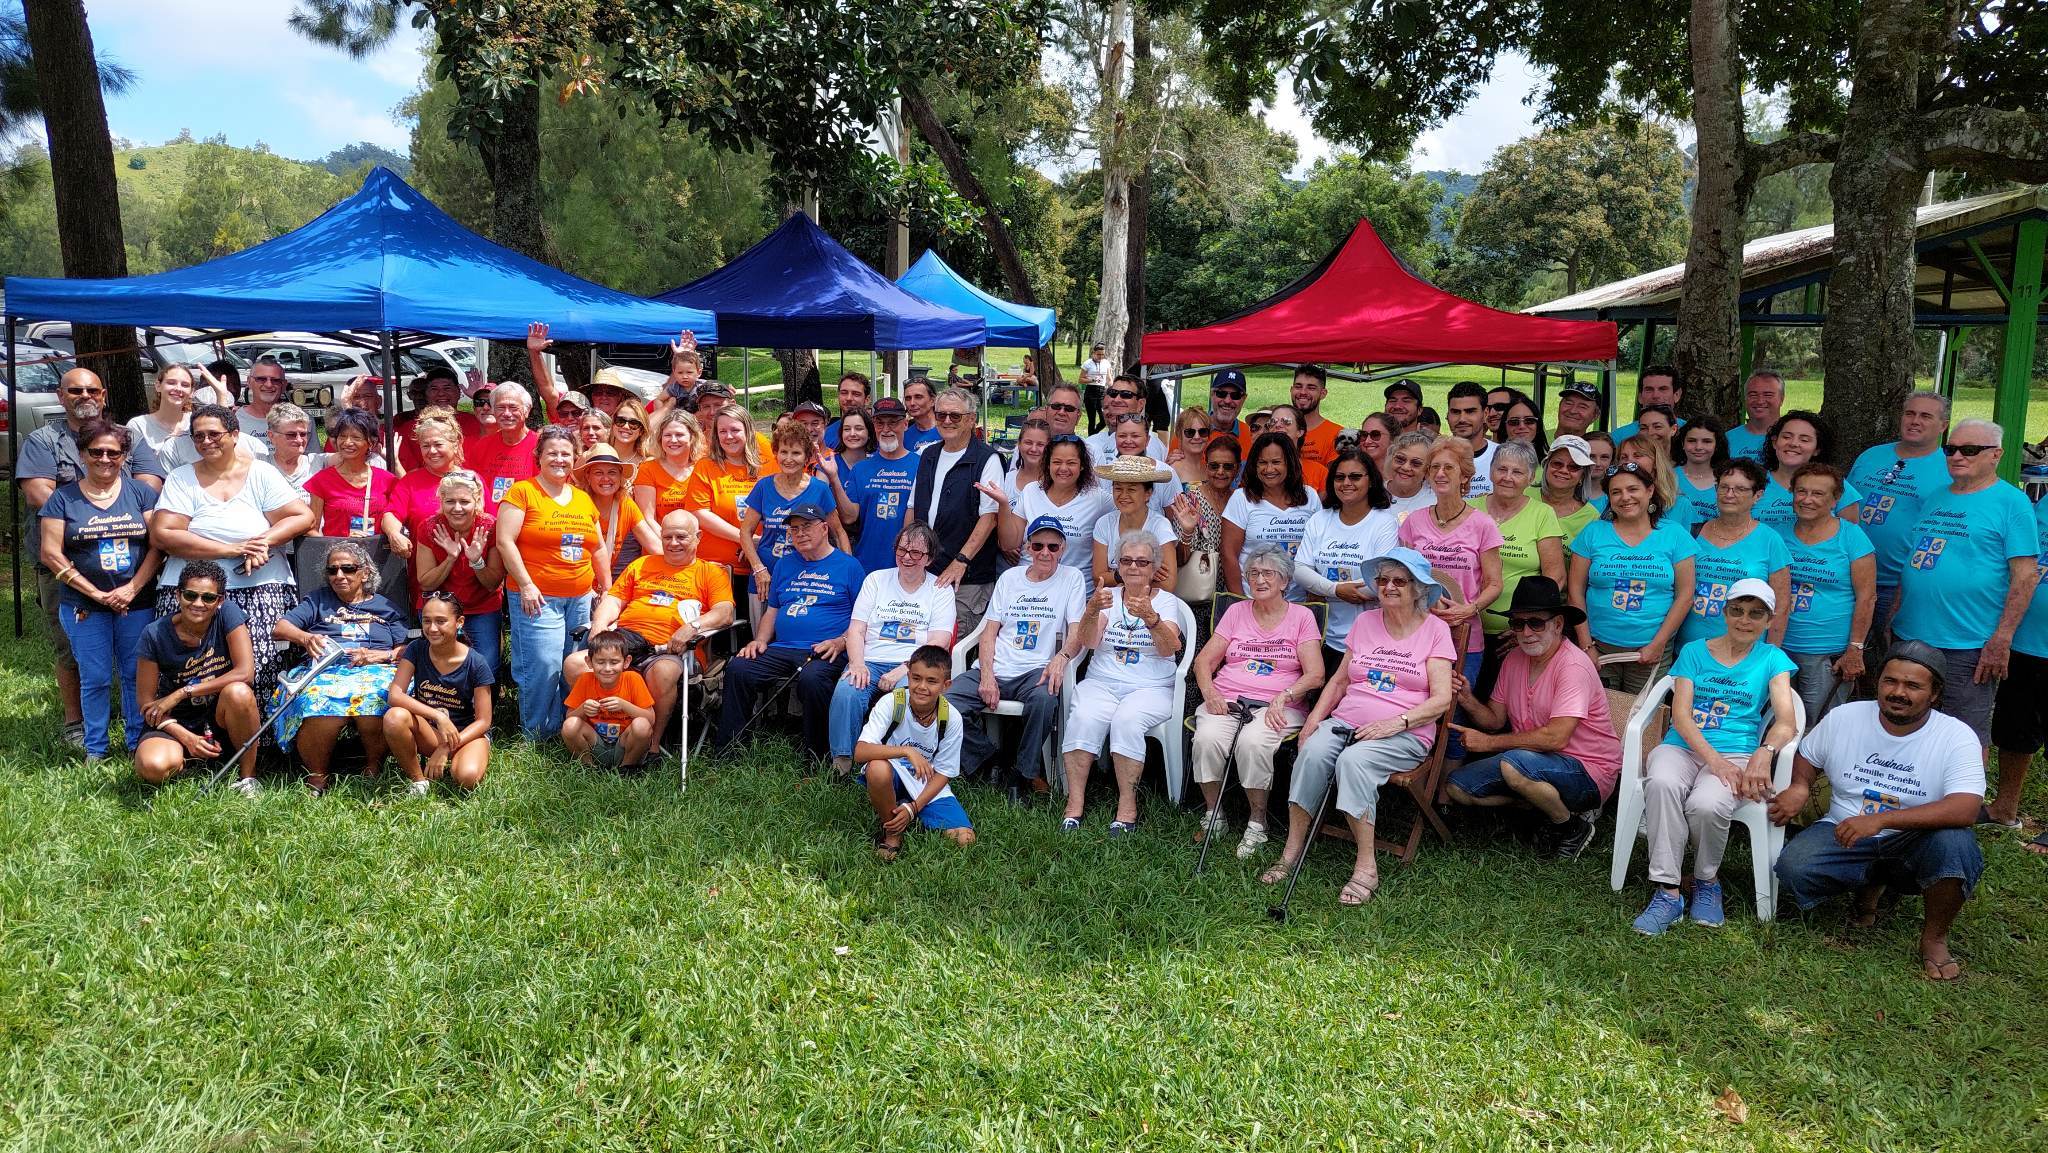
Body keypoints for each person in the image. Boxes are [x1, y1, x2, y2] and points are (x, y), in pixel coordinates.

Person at [1770, 642, 1985, 980]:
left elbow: (1966, 808)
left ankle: (1934, 938)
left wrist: (1881, 820)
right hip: (1843, 830)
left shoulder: (1956, 737)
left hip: (1915, 839)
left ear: (1935, 693)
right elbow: (1809, 755)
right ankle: (1868, 889)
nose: (1898, 692)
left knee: (1956, 845)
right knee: (1795, 867)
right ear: (1878, 682)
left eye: (1913, 686)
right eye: (1890, 681)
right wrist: (1799, 786)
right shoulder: (1847, 717)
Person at [1271, 548, 1456, 905]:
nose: (1388, 587)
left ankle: (1366, 866)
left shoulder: (1435, 631)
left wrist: (1394, 723)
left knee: (1353, 762)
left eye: (1398, 581)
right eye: (1382, 580)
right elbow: (1340, 682)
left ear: (1418, 588)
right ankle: (1291, 850)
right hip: (1347, 721)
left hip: (1404, 731)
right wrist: (1313, 720)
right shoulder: (1365, 622)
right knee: (1311, 753)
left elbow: (1441, 700)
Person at [1631, 578, 1798, 934]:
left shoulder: (1772, 659)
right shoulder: (1693, 651)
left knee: (1707, 804)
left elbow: (1786, 722)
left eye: (1756, 614)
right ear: (1724, 613)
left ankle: (1707, 881)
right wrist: (1714, 760)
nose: (1744, 620)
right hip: (1682, 745)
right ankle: (1668, 891)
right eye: (1737, 610)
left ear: (1769, 621)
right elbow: (1680, 715)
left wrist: (1764, 752)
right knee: (1661, 781)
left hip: (1737, 750)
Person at [19, 367, 168, 747]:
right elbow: (41, 494)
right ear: (60, 395)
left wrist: (119, 500)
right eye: (75, 390)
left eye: (91, 390)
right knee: (73, 652)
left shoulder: (126, 438)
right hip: (68, 569)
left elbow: (150, 483)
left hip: (133, 583)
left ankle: (136, 734)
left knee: (134, 665)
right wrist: (87, 510)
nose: (84, 396)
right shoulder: (44, 439)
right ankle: (77, 725)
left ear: (103, 395)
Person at [1889, 418, 2037, 759]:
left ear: (1995, 455)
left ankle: (1960, 808)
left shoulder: (2011, 503)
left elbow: (2025, 576)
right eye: (1950, 449)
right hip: (1911, 632)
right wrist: (1895, 611)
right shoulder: (1937, 496)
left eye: (1969, 450)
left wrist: (2002, 638)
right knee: (1906, 724)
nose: (1957, 456)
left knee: (1965, 734)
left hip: (1967, 641)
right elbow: (1916, 559)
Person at [150, 404, 313, 706]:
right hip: (194, 591)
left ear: (235, 434)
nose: (206, 441)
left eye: (214, 434)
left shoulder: (260, 473)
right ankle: (193, 734)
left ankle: (264, 743)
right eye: (198, 437)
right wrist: (233, 549)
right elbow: (164, 534)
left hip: (261, 586)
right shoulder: (182, 478)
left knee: (264, 666)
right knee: (194, 665)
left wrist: (263, 541)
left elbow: (301, 516)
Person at [1447, 577, 1620, 859]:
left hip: (1588, 770)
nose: (1526, 632)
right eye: (1518, 623)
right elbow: (1493, 719)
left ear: (1558, 624)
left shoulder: (1573, 666)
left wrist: (1488, 744)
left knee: (1514, 764)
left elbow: (1556, 737)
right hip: (1529, 762)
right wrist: (1468, 699)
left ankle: (1570, 826)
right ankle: (1541, 805)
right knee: (1457, 787)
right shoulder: (1514, 658)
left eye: (1536, 623)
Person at [37, 421, 162, 761]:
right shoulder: (62, 498)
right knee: (95, 677)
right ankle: (96, 748)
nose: (105, 458)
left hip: (136, 603)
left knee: (136, 674)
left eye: (114, 452)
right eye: (97, 452)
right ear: (82, 454)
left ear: (124, 456)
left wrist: (132, 589)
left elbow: (158, 544)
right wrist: (95, 593)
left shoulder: (141, 493)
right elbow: (50, 552)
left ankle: (138, 742)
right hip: (84, 605)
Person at [1192, 543, 1325, 857]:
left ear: (1284, 582)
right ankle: (1215, 814)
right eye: (1253, 573)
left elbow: (1316, 674)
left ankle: (1257, 822)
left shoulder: (1302, 616)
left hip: (1280, 706)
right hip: (1227, 700)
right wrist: (1210, 694)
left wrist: (1285, 695)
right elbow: (1203, 662)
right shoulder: (1237, 612)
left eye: (1269, 573)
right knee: (1207, 738)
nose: (1260, 580)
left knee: (1253, 742)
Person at [1057, 531, 1187, 833]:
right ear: (1118, 565)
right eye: (1126, 560)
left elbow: (1170, 648)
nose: (1133, 567)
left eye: (1142, 562)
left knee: (1127, 720)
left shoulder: (1167, 602)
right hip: (1103, 681)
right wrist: (1091, 611)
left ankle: (1127, 806)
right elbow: (1089, 642)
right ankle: (1074, 805)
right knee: (1084, 717)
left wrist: (1151, 618)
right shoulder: (1108, 597)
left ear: (1155, 568)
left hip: (1151, 686)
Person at [572, 509, 736, 748]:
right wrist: (598, 625)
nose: (673, 543)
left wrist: (692, 627)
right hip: (625, 641)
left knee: (664, 673)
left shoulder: (710, 572)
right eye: (667, 537)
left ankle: (650, 743)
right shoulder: (642, 564)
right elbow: (613, 600)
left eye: (681, 537)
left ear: (698, 537)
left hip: (672, 651)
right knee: (575, 663)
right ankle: (599, 737)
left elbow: (725, 612)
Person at [946, 516, 1084, 795]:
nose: (1045, 552)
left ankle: (1022, 774)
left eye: (1053, 547)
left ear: (1063, 548)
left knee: (1044, 700)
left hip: (1036, 670)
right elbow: (988, 632)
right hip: (997, 665)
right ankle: (990, 760)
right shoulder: (1010, 578)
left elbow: (1078, 631)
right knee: (945, 704)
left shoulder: (1072, 578)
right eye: (1038, 545)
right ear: (1027, 548)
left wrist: (1062, 657)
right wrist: (986, 673)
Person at [713, 503, 862, 759]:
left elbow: (864, 619)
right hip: (783, 648)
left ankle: (817, 755)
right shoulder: (784, 565)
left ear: (825, 528)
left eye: (807, 526)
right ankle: (730, 749)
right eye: (794, 529)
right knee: (739, 668)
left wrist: (841, 641)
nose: (800, 533)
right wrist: (759, 640)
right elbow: (773, 610)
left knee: (813, 679)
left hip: (826, 649)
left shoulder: (849, 566)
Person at [270, 540, 411, 794]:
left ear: (365, 573)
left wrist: (380, 655)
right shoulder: (317, 601)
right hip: (325, 670)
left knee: (378, 697)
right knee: (319, 703)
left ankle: (373, 767)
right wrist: (306, 638)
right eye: (332, 570)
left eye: (348, 569)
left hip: (374, 670)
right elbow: (280, 628)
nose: (339, 575)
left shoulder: (385, 607)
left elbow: (406, 649)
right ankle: (317, 776)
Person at [497, 427, 609, 739]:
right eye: (552, 453)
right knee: (543, 667)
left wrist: (606, 587)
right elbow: (505, 541)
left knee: (572, 665)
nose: (559, 459)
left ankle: (565, 729)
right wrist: (527, 584)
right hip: (537, 597)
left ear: (575, 458)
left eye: (566, 454)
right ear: (539, 458)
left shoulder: (583, 499)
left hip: (580, 598)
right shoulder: (522, 492)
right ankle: (535, 735)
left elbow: (597, 547)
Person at [829, 522, 958, 776]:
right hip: (871, 659)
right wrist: (857, 664)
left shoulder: (939, 590)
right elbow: (856, 630)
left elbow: (938, 642)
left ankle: (899, 765)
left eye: (916, 553)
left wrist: (903, 670)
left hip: (913, 666)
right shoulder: (876, 580)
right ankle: (842, 764)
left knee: (910, 695)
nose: (907, 557)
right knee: (847, 690)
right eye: (902, 550)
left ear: (929, 558)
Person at [1567, 462, 1698, 694]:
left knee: (1643, 722)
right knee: (1602, 720)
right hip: (1600, 647)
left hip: (1651, 650)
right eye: (1616, 492)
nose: (1625, 497)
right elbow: (1575, 592)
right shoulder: (1593, 532)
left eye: (1632, 489)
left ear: (1650, 491)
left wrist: (1658, 644)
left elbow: (1685, 595)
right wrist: (1586, 646)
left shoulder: (1674, 534)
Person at [132, 562, 263, 789]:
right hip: (176, 719)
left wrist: (183, 692)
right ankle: (187, 759)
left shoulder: (228, 614)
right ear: (177, 595)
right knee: (152, 767)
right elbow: (145, 702)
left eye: (208, 598)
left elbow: (245, 673)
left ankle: (248, 778)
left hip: (221, 713)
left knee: (239, 692)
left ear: (220, 601)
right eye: (190, 595)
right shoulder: (154, 633)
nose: (198, 604)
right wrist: (186, 737)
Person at [1397, 437, 1502, 679]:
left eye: (1449, 468)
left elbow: (1495, 583)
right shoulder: (1414, 521)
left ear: (1464, 477)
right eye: (1434, 467)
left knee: (1455, 708)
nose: (1440, 474)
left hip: (1463, 634)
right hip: (1418, 631)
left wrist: (1468, 610)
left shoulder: (1482, 524)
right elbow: (1405, 576)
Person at [1780, 462, 1876, 725]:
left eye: (1818, 494)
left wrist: (1855, 649)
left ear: (1835, 499)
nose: (1807, 499)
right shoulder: (1777, 534)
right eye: (1801, 491)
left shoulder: (1852, 537)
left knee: (1819, 727)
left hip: (1826, 652)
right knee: (1776, 724)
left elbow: (1867, 597)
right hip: (1778, 647)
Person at [1846, 392, 1952, 625]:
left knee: (1890, 654)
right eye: (1910, 413)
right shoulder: (1871, 456)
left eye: (1925, 416)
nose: (1915, 421)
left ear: (1943, 425)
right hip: (1849, 576)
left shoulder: (1948, 470)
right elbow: (1843, 506)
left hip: (1898, 586)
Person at [860, 644, 976, 858]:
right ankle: (893, 834)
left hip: (925, 781)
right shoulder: (892, 702)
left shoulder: (951, 717)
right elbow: (861, 751)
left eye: (932, 681)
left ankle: (906, 808)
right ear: (909, 676)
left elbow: (944, 772)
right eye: (916, 678)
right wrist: (906, 751)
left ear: (945, 685)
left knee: (964, 839)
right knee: (876, 769)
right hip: (891, 772)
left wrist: (914, 808)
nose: (922, 686)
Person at [912, 387, 1004, 637]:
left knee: (954, 643)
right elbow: (913, 509)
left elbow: (990, 518)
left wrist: (961, 561)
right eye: (941, 415)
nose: (947, 421)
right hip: (926, 570)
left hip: (967, 577)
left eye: (955, 416)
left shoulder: (987, 459)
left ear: (972, 419)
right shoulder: (927, 454)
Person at [1293, 449, 1399, 663]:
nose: (1346, 483)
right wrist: (1336, 590)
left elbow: (1380, 582)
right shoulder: (1319, 520)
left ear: (1371, 481)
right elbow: (1300, 570)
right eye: (1339, 477)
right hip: (1321, 636)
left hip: (1370, 640)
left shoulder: (1385, 523)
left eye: (1355, 476)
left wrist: (1321, 587)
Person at [383, 592, 495, 794]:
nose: (432, 628)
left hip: (466, 735)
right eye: (427, 621)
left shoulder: (476, 663)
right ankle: (418, 781)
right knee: (394, 717)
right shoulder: (416, 649)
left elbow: (484, 721)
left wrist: (446, 747)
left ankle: (462, 757)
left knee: (467, 778)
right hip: (432, 732)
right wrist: (437, 716)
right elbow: (395, 695)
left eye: (441, 621)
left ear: (459, 622)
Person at [1682, 460, 1792, 644]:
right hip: (1688, 648)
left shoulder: (1770, 540)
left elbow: (1781, 606)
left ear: (1757, 495)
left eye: (1740, 489)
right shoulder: (1694, 532)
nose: (1729, 494)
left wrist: (1769, 655)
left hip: (1745, 651)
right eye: (1724, 487)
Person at [411, 469, 505, 680]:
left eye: (464, 501)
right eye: (450, 501)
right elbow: (425, 583)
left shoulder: (490, 526)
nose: (457, 508)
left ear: (476, 501)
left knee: (487, 666)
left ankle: (481, 710)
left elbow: (492, 583)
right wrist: (450, 558)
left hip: (482, 606)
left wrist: (476, 561)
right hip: (441, 606)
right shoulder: (429, 528)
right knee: (438, 665)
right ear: (442, 501)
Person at [1472, 441, 1564, 650]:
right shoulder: (1469, 509)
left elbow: (1555, 578)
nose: (1507, 477)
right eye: (1502, 469)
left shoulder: (1542, 514)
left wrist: (1525, 626)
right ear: (1491, 471)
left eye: (1517, 472)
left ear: (1531, 479)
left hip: (1519, 635)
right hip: (1466, 627)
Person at [744, 423, 847, 587]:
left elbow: (839, 533)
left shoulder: (819, 489)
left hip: (808, 577)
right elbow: (745, 531)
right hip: (766, 577)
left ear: (807, 457)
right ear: (776, 454)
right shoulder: (763, 487)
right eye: (784, 452)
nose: (789, 459)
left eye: (796, 453)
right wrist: (758, 568)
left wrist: (845, 569)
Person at [1002, 433, 1111, 589]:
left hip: (1076, 592)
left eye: (1071, 463)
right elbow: (1009, 544)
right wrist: (1003, 505)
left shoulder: (1098, 498)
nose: (1063, 468)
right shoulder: (1030, 491)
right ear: (1047, 464)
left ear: (1082, 465)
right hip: (1027, 590)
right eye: (1057, 462)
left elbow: (1126, 516)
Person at [1222, 432, 1321, 597]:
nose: (1269, 469)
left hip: (1298, 604)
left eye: (1276, 462)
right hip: (1252, 601)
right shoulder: (1241, 498)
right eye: (1262, 463)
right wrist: (1240, 603)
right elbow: (1229, 555)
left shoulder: (1310, 497)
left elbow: (1317, 553)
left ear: (1290, 463)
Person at [682, 402, 764, 582]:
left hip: (760, 564)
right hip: (716, 567)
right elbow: (700, 513)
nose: (729, 437)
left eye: (735, 430)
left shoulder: (766, 467)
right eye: (722, 431)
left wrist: (759, 544)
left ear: (748, 431)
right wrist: (747, 540)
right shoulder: (706, 467)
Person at [304, 409, 402, 557]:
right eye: (342, 436)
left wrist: (395, 461)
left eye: (356, 437)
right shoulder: (321, 481)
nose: (347, 442)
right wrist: (333, 552)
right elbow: (312, 529)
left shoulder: (386, 479)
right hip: (340, 564)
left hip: (378, 558)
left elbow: (408, 499)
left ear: (371, 442)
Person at [562, 630, 657, 772]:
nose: (607, 669)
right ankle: (588, 768)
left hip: (625, 744)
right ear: (589, 662)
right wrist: (583, 709)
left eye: (614, 662)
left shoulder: (632, 679)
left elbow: (650, 719)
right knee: (570, 725)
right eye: (600, 662)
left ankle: (627, 768)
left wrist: (624, 706)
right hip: (595, 742)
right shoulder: (585, 680)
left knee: (642, 725)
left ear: (626, 662)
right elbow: (569, 719)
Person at [1755, 411, 1861, 533]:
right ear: (1774, 442)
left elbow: (1850, 537)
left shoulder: (1836, 484)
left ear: (1817, 449)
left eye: (1804, 440)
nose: (1794, 444)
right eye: (1786, 437)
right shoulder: (1753, 482)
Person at [1090, 455, 1181, 593]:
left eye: (1132, 489)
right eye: (1118, 488)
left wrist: (1115, 578)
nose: (1123, 495)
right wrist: (1138, 573)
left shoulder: (1160, 526)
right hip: (1113, 605)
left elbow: (1168, 584)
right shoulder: (1104, 523)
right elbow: (1098, 578)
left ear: (1148, 494)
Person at [577, 443, 661, 582]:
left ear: (620, 476)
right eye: (598, 473)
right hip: (577, 585)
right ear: (587, 476)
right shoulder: (577, 503)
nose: (606, 479)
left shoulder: (625, 505)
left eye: (612, 472)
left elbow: (654, 546)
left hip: (605, 585)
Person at [467, 384, 541, 507]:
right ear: (494, 411)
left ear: (526, 411)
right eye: (500, 407)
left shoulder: (540, 446)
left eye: (513, 407)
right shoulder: (482, 446)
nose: (507, 413)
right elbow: (472, 488)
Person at [394, 368, 481, 472]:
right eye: (434, 389)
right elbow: (407, 472)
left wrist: (476, 397)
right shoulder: (409, 429)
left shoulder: (475, 422)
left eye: (447, 388)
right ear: (426, 394)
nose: (441, 394)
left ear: (458, 391)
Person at [632, 409, 703, 527]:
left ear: (692, 437)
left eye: (679, 435)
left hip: (700, 542)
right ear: (660, 438)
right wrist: (670, 543)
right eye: (668, 435)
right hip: (660, 541)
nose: (673, 440)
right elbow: (648, 519)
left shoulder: (703, 467)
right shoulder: (648, 469)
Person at [1084, 373, 1169, 469]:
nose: (1116, 399)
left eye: (1126, 394)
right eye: (1113, 393)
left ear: (1141, 404)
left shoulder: (1150, 445)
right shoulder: (1090, 443)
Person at [126, 362, 197, 458]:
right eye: (171, 383)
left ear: (192, 392)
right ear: (158, 386)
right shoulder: (138, 425)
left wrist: (221, 395)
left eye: (185, 385)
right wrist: (173, 437)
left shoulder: (197, 423)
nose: (178, 388)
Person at [1442, 382, 1498, 497]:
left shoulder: (1501, 455)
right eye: (1455, 412)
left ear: (1486, 414)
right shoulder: (1435, 456)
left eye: (1470, 411)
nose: (1462, 419)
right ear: (1448, 415)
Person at [1538, 437, 1599, 543]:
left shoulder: (1591, 517)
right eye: (1557, 463)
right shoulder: (1523, 495)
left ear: (1583, 476)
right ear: (1546, 466)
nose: (1564, 470)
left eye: (1573, 467)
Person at [1261, 406, 1328, 494]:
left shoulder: (1319, 472)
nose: (1277, 425)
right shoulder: (1259, 468)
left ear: (1300, 431)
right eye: (1273, 422)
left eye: (1286, 421)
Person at [1723, 369, 1786, 464]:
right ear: (1745, 398)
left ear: (1782, 399)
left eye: (1768, 395)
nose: (1760, 401)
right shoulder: (1727, 440)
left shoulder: (1794, 440)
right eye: (1753, 395)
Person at [1610, 364, 1682, 445]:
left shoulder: (1690, 432)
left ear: (1677, 395)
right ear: (1640, 397)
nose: (1656, 396)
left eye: (1663, 389)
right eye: (1649, 390)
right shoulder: (1618, 438)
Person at [1674, 418, 1727, 526]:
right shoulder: (1667, 477)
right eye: (1692, 441)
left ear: (1716, 446)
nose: (1698, 447)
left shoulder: (1727, 480)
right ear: (1682, 443)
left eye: (1707, 441)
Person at [1290, 364, 1343, 467]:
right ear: (1291, 390)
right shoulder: (1278, 428)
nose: (1303, 392)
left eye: (1311, 388)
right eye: (1298, 386)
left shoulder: (1336, 434)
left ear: (1323, 393)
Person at [263, 403, 321, 496]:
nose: (299, 440)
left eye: (303, 434)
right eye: (291, 435)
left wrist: (347, 405)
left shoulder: (318, 462)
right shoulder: (261, 466)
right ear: (271, 436)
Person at [1381, 431, 1435, 522]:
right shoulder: (1372, 494)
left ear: (1427, 469)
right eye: (1400, 459)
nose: (1406, 467)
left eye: (1416, 463)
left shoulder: (1436, 501)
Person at [236, 356, 287, 443]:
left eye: (275, 380)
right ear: (249, 382)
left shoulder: (301, 420)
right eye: (261, 379)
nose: (268, 385)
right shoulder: (236, 420)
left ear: (284, 385)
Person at [821, 371, 872, 450]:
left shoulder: (878, 431)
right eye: (844, 393)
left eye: (856, 394)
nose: (849, 398)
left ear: (867, 399)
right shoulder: (826, 433)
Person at [1167, 407, 1213, 490]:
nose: (1197, 437)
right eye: (1190, 432)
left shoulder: (1210, 468)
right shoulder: (1172, 471)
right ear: (1179, 435)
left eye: (1203, 432)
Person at [1497, 392, 1548, 461]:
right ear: (1504, 427)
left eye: (1529, 420)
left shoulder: (1551, 464)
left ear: (1538, 425)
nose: (1522, 426)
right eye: (1514, 422)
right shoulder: (1492, 459)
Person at [1207, 369, 1250, 449]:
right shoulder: (1190, 433)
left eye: (1235, 395)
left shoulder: (1250, 435)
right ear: (1211, 394)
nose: (1227, 401)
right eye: (1221, 394)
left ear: (1244, 399)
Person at [901, 378, 942, 453]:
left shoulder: (947, 430)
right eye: (908, 398)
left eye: (918, 397)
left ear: (932, 401)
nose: (912, 403)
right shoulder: (904, 437)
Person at [1079, 342, 1112, 434]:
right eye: (1098, 354)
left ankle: (1094, 434)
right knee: (1092, 420)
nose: (1100, 356)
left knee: (1104, 420)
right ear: (1093, 353)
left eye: (1102, 354)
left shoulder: (1106, 363)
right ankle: (1090, 440)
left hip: (1102, 393)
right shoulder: (1087, 363)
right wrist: (1092, 380)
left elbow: (1109, 378)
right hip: (1090, 392)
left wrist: (1112, 388)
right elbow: (1080, 380)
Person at [608, 397, 651, 468]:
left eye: (634, 423)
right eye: (620, 421)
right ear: (613, 424)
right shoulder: (597, 453)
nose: (626, 426)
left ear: (642, 431)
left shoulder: (647, 464)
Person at [832, 409, 874, 475]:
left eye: (859, 429)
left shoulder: (877, 463)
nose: (852, 434)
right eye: (847, 429)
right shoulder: (829, 463)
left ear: (869, 433)